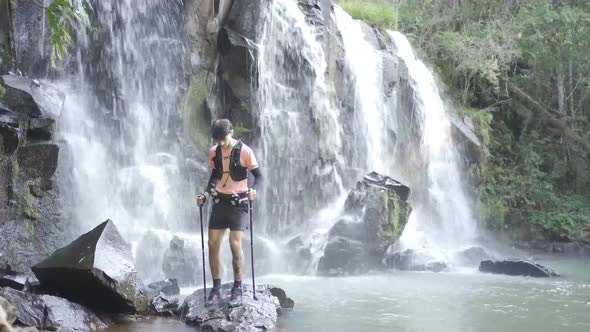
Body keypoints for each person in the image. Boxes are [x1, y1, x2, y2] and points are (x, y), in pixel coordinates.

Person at [196, 119, 262, 308]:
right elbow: (215, 175)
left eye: (223, 139)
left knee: (234, 244)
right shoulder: (214, 151)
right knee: (212, 243)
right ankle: (216, 289)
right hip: (220, 201)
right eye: (217, 140)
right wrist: (205, 194)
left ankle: (237, 288)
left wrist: (254, 191)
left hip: (239, 202)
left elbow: (259, 176)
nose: (221, 143)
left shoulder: (245, 151)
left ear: (231, 132)